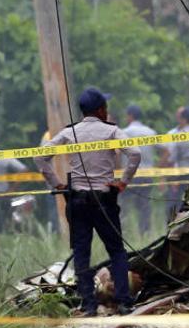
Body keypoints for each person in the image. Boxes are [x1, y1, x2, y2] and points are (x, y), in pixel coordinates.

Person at [35, 87, 142, 316]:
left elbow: (40, 156)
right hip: (104, 199)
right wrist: (123, 182)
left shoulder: (69, 132)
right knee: (117, 251)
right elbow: (135, 154)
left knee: (82, 253)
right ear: (102, 109)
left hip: (77, 201)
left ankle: (89, 306)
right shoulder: (111, 131)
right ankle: (124, 302)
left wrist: (57, 184)